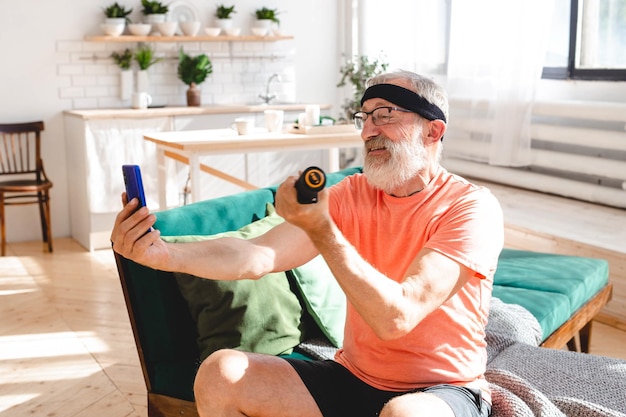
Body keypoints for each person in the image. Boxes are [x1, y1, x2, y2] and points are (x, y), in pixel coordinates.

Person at [111, 70, 504, 417]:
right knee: (220, 373)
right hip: (353, 378)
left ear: (433, 131)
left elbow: (396, 317)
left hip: (440, 390)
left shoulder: (471, 208)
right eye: (365, 118)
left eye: (386, 115)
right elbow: (257, 254)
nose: (369, 131)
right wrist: (165, 254)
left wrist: (323, 231)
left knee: (405, 415)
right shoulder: (353, 193)